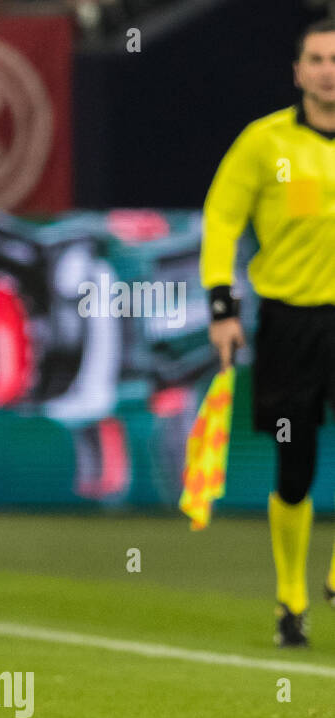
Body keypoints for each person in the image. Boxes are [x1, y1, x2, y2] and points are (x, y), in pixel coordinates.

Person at [202, 18, 335, 648]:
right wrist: (222, 308)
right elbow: (222, 220)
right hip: (289, 322)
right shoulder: (264, 143)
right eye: (316, 59)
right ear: (297, 71)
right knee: (295, 468)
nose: (328, 70)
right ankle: (291, 599)